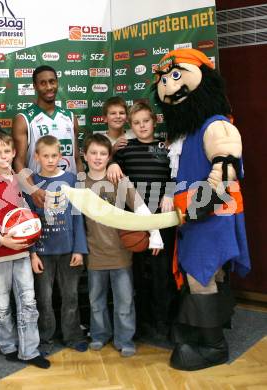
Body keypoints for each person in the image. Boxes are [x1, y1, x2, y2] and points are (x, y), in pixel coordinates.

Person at [154, 48, 251, 370]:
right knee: (204, 275)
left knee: (202, 275)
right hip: (193, 220)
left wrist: (202, 202)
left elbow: (226, 163)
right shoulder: (188, 132)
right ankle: (203, 332)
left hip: (210, 218)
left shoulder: (215, 125)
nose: (169, 85)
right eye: (164, 79)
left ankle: (213, 347)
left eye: (177, 76)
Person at [82, 133, 163, 357]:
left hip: (120, 253)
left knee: (124, 302)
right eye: (93, 153)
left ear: (110, 157)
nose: (98, 158)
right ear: (85, 156)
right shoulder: (79, 182)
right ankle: (99, 335)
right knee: (95, 301)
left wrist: (154, 233)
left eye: (103, 154)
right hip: (94, 253)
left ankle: (124, 339)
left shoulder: (120, 180)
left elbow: (140, 207)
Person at [107, 102, 176, 339]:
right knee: (137, 274)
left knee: (161, 273)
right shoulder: (126, 148)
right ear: (130, 125)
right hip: (135, 221)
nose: (141, 126)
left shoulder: (164, 148)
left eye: (145, 121)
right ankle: (142, 324)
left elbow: (175, 174)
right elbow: (109, 167)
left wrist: (169, 194)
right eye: (136, 123)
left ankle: (163, 322)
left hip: (161, 219)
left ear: (154, 122)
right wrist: (113, 161)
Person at [0, 133, 50, 369]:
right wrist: (2, 240)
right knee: (1, 304)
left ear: (13, 153)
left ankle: (30, 350)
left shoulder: (21, 181)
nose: (3, 157)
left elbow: (28, 221)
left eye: (7, 152)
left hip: (22, 252)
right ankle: (8, 345)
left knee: (28, 301)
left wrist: (32, 252)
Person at [26, 135, 88, 355]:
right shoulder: (31, 183)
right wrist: (32, 253)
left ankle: (72, 335)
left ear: (61, 156)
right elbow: (28, 221)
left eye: (54, 156)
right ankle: (45, 338)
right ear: (37, 156)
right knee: (43, 297)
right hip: (42, 252)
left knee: (70, 296)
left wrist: (80, 249)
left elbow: (78, 216)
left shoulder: (71, 180)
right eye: (45, 156)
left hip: (69, 251)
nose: (50, 160)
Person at [12, 65, 84, 208]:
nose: (49, 87)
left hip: (70, 191)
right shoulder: (24, 119)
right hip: (40, 192)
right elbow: (18, 162)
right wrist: (33, 190)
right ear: (35, 86)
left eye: (52, 81)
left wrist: (82, 186)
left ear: (57, 82)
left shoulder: (70, 117)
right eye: (43, 83)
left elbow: (76, 158)